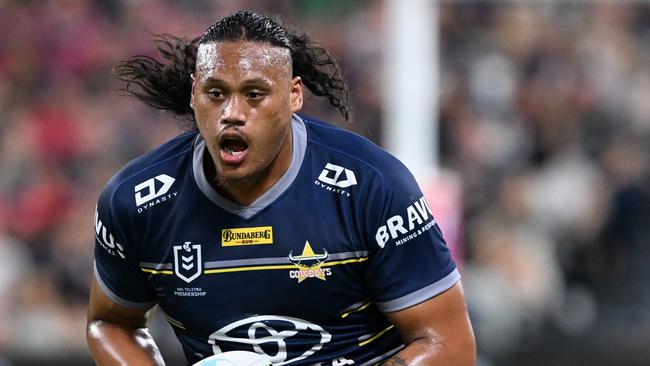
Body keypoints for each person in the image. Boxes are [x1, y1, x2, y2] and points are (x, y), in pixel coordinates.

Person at [86, 10, 476, 366]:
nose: (232, 114)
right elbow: (111, 323)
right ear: (193, 95)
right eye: (215, 93)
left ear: (293, 96)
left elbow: (449, 344)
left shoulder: (372, 187)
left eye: (254, 94)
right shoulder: (136, 202)